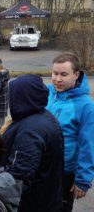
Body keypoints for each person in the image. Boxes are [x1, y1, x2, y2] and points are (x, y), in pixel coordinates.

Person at [2, 74, 64, 212]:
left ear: (22, 96)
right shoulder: (41, 116)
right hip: (47, 197)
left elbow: (19, 174)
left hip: (33, 203)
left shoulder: (31, 130)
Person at [46, 53, 94, 212]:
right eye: (55, 73)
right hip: (42, 167)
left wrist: (82, 179)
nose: (58, 79)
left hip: (65, 172)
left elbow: (88, 144)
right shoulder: (48, 93)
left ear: (76, 75)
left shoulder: (86, 106)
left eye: (63, 74)